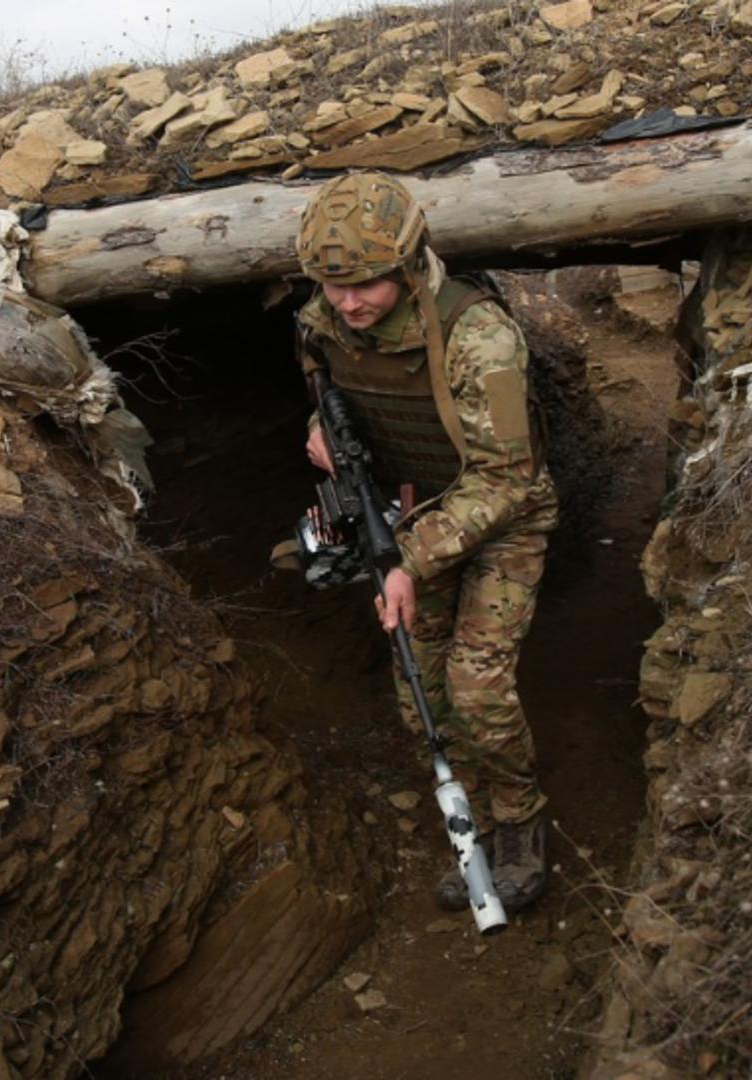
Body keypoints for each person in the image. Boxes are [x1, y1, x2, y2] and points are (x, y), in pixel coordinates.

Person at [292, 171, 560, 913]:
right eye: (332, 285)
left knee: (477, 688)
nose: (349, 303)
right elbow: (326, 394)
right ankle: (465, 816)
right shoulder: (321, 321)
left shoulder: (479, 336)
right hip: (411, 515)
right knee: (422, 693)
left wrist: (405, 561)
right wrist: (320, 434)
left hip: (504, 517)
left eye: (367, 284)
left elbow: (507, 481)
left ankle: (517, 823)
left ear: (409, 263)